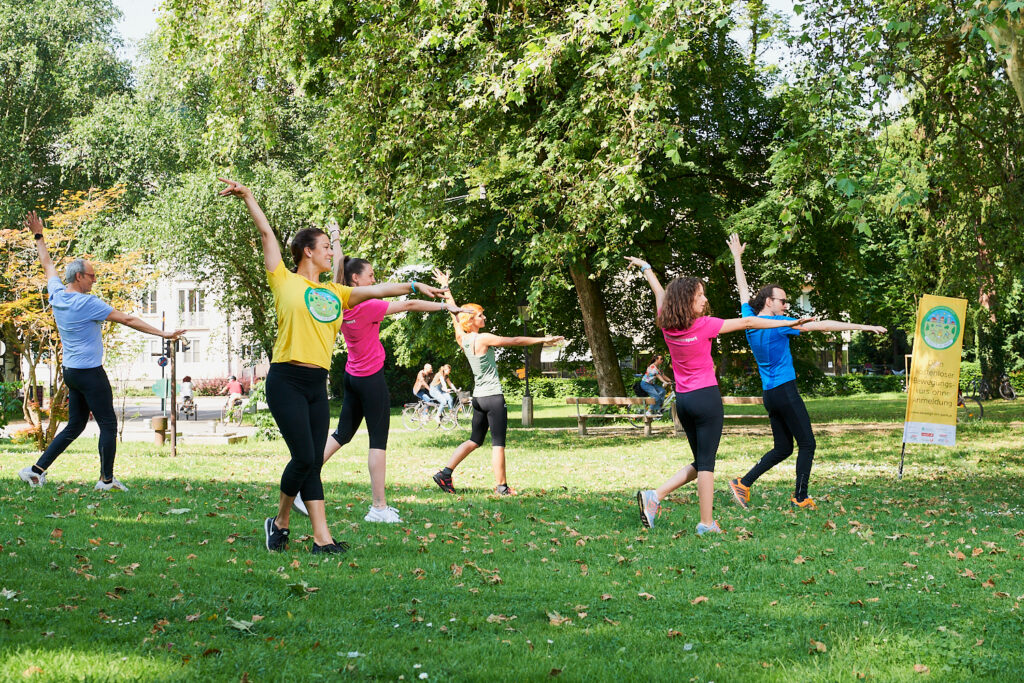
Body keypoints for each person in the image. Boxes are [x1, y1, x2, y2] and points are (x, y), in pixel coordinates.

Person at [218, 178, 447, 554]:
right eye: (325, 247)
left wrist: (414, 284)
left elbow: (377, 290)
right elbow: (265, 232)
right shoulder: (283, 280)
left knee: (309, 459)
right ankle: (281, 522)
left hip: (316, 383)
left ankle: (316, 537)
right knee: (307, 457)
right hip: (286, 379)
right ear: (307, 252)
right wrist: (248, 196)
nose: (330, 253)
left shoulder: (334, 293)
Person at [626, 256, 812, 535]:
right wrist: (790, 322)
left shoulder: (666, 322)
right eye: (699, 295)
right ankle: (706, 523)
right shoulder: (706, 325)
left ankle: (655, 496)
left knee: (701, 461)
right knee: (707, 466)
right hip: (707, 400)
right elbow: (750, 321)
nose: (704, 299)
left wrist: (646, 269)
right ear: (687, 300)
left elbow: (660, 293)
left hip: (684, 402)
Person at [291, 257, 470, 524]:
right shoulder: (368, 306)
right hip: (370, 380)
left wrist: (338, 241)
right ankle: (378, 507)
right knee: (378, 442)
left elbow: (339, 271)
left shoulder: (338, 303)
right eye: (371, 276)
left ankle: (298, 484)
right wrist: (447, 306)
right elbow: (409, 304)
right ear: (356, 280)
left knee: (341, 434)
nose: (374, 281)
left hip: (351, 377)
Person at [17, 211, 186, 491]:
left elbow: (47, 264)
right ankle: (106, 481)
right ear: (79, 276)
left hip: (71, 373)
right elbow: (129, 320)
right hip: (90, 374)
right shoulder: (88, 304)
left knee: (75, 426)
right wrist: (164, 333)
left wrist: (38, 235)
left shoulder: (57, 295)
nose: (94, 280)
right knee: (108, 425)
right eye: (92, 276)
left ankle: (36, 471)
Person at [724, 234, 887, 511]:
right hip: (785, 392)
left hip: (770, 395)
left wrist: (737, 258)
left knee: (784, 448)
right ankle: (800, 497)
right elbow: (824, 326)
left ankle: (743, 483)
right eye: (783, 301)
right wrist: (863, 327)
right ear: (769, 301)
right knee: (808, 443)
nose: (787, 305)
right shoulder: (780, 323)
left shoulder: (749, 320)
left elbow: (742, 289)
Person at [430, 269, 563, 495]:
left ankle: (445, 473)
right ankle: (502, 487)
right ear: (471, 320)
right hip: (492, 397)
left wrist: (447, 289)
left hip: (479, 398)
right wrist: (544, 339)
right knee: (498, 443)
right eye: (481, 315)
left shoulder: (462, 338)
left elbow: (454, 315)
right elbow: (515, 340)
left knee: (474, 440)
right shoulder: (483, 338)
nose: (485, 318)